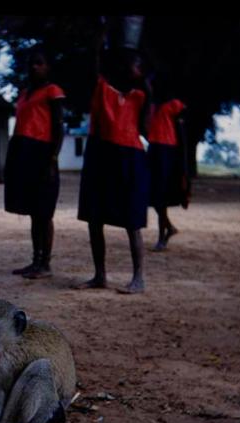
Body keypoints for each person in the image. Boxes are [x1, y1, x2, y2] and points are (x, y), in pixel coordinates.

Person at [76, 47, 151, 293]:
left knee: (132, 220)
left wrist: (147, 92)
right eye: (136, 65)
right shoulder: (101, 88)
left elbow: (147, 130)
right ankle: (100, 275)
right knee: (94, 218)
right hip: (100, 154)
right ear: (124, 67)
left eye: (140, 67)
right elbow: (93, 62)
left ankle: (138, 278)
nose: (139, 71)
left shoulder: (140, 96)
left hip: (130, 157)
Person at [4, 45, 65, 279]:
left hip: (43, 154)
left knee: (44, 212)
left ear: (48, 67)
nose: (34, 67)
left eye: (39, 63)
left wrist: (52, 159)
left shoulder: (53, 91)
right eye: (31, 63)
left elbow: (59, 128)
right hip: (23, 152)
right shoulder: (24, 94)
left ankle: (46, 264)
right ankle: (35, 261)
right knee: (32, 211)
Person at [147, 72, 189, 251]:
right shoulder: (151, 107)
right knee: (154, 196)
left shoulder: (174, 105)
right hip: (154, 150)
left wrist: (182, 164)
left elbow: (182, 135)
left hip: (167, 152)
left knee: (160, 196)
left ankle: (162, 237)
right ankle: (168, 228)